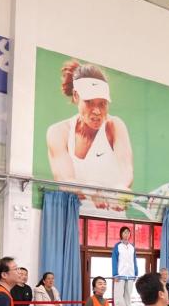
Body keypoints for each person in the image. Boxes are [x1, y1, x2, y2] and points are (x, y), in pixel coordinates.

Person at [45, 60, 134, 207]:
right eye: (89, 102)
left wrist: (121, 190)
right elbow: (65, 180)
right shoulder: (57, 133)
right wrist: (92, 191)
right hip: (72, 216)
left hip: (112, 217)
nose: (97, 111)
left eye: (102, 103)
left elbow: (126, 170)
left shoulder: (115, 126)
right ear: (76, 96)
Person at [112, 226, 138, 306]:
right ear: (121, 234)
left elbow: (134, 260)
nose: (126, 234)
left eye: (128, 232)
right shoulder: (117, 246)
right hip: (120, 274)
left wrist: (135, 273)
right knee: (119, 295)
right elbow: (114, 260)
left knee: (128, 295)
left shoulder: (132, 247)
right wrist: (115, 274)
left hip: (130, 274)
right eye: (124, 232)